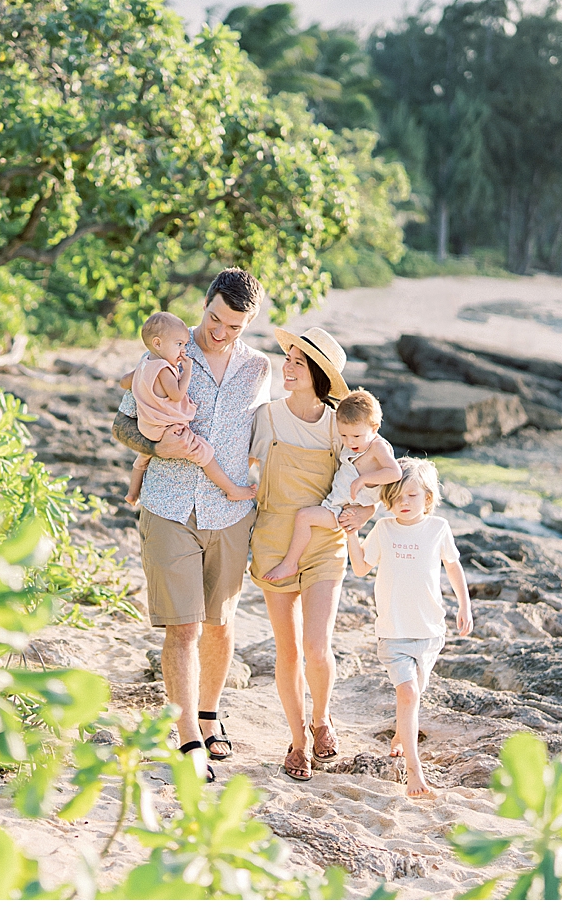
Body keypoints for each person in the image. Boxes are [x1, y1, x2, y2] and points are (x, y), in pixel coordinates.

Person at [111, 269, 270, 778]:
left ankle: (208, 715)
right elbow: (121, 424)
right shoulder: (164, 355)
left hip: (229, 514)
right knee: (182, 628)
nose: (220, 333)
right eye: (214, 319)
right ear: (204, 306)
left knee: (218, 625)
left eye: (234, 327)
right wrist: (157, 446)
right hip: (168, 505)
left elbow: (277, 434)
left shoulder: (259, 369)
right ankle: (187, 743)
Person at [247, 326, 354, 782]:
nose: (286, 367)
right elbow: (245, 473)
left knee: (316, 646)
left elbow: (364, 477)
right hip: (273, 542)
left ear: (317, 374)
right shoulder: (266, 416)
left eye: (297, 362)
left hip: (326, 543)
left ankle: (322, 717)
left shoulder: (337, 424)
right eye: (287, 358)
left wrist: (364, 513)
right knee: (288, 651)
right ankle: (297, 741)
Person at [349, 457, 473, 798]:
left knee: (414, 696)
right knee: (409, 694)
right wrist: (352, 533)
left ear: (428, 499)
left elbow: (453, 566)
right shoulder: (384, 529)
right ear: (388, 498)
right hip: (393, 633)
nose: (404, 503)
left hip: (430, 632)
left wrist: (465, 604)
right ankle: (414, 775)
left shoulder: (438, 529)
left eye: (412, 496)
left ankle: (400, 734)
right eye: (398, 496)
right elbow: (360, 567)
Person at [262, 388, 401, 584]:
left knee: (303, 517)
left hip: (343, 509)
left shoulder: (377, 447)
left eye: (356, 436)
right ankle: (292, 562)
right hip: (337, 502)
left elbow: (395, 472)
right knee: (303, 517)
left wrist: (363, 479)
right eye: (344, 435)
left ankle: (290, 563)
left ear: (375, 428)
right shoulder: (355, 443)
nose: (349, 442)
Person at [125, 310, 258, 506]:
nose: (184, 351)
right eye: (179, 344)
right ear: (157, 343)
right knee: (203, 453)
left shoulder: (145, 364)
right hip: (168, 429)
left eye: (185, 344)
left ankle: (132, 493)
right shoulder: (163, 368)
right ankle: (232, 489)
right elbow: (177, 394)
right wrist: (186, 371)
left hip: (149, 428)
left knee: (143, 458)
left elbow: (123, 382)